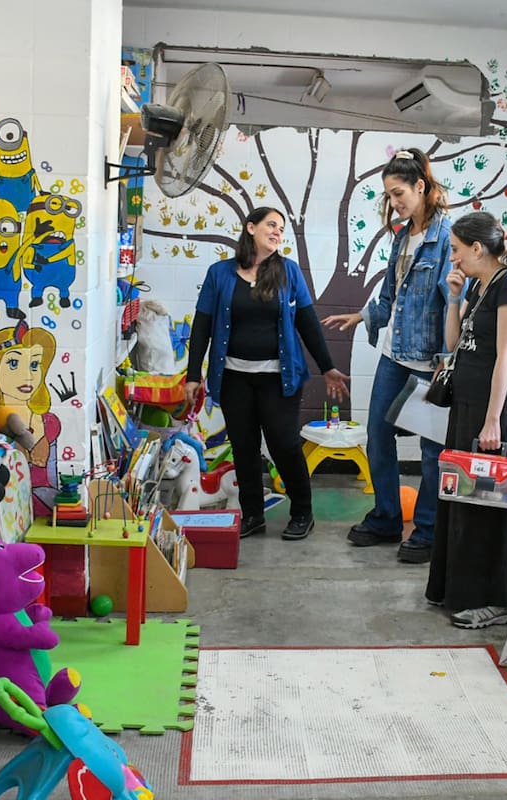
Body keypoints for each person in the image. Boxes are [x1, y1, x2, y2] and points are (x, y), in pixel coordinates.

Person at [184, 207, 349, 541]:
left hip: (278, 378)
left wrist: (327, 367)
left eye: (281, 228)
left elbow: (307, 323)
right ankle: (253, 515)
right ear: (251, 228)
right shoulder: (220, 273)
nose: (277, 232)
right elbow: (202, 325)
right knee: (244, 447)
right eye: (271, 225)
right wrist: (192, 375)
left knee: (284, 444)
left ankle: (302, 512)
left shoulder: (288, 272)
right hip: (233, 378)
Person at [322, 148, 454, 564]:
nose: (394, 202)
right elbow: (391, 297)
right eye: (389, 195)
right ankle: (386, 518)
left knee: (432, 452)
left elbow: (452, 304)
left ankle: (428, 531)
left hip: (430, 363)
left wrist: (446, 360)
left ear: (421, 186)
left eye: (399, 193)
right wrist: (363, 316)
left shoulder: (446, 238)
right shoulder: (402, 236)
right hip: (393, 357)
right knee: (378, 436)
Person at [425, 212, 507, 629]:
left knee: (490, 507)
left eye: (456, 249)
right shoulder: (479, 284)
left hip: (495, 411)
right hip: (468, 405)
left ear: (477, 247)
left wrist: (493, 421)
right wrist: (454, 298)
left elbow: (505, 357)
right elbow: (455, 343)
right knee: (462, 500)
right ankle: (459, 589)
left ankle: (496, 599)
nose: (453, 258)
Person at [0, 321, 60, 517]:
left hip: (36, 510)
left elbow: (52, 477)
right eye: (13, 363)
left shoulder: (50, 423)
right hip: (1, 513)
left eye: (34, 365)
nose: (27, 376)